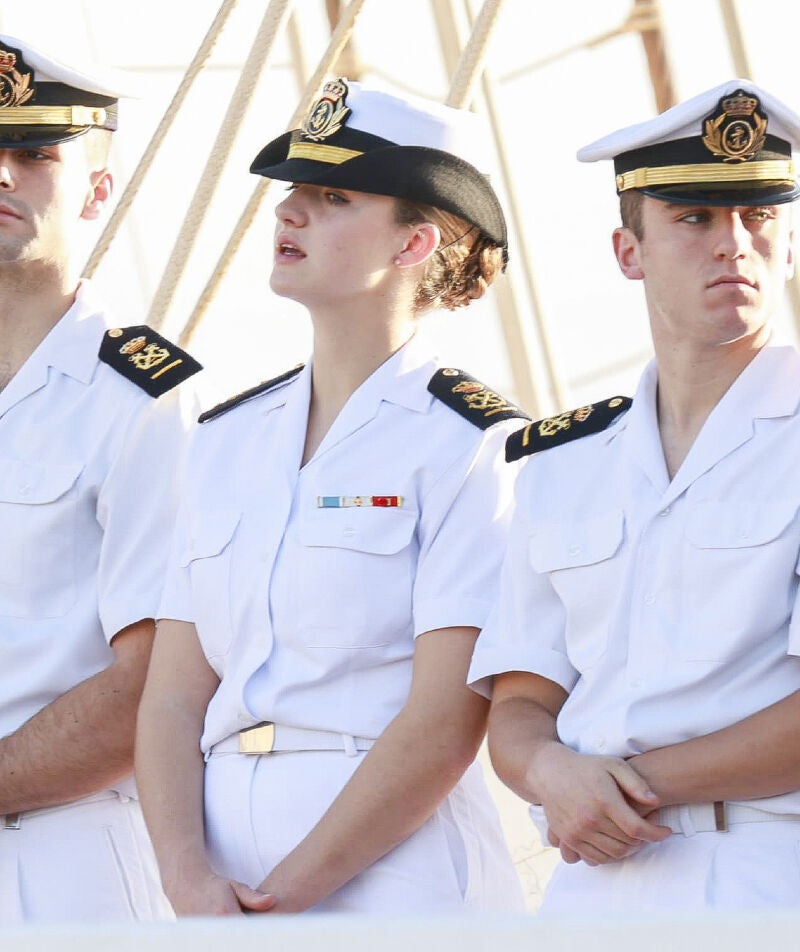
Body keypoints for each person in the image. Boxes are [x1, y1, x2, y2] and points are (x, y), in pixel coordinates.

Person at [135, 77, 529, 916]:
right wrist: (184, 878)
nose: (289, 213)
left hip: (395, 883)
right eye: (292, 193)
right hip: (218, 875)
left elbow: (443, 719)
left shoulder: (472, 443)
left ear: (415, 244)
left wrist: (283, 899)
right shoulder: (226, 440)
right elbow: (172, 697)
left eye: (332, 196)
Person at [468, 78, 800, 914]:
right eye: (696, 218)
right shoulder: (562, 459)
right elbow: (521, 699)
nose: (734, 244)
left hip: (765, 871)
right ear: (629, 252)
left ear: (789, 244)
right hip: (592, 893)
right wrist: (551, 775)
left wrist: (612, 790)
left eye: (758, 217)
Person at [0, 34, 201, 922]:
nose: (2, 176)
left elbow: (153, 686)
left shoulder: (148, 402)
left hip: (62, 860)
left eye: (36, 154)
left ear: (97, 188)